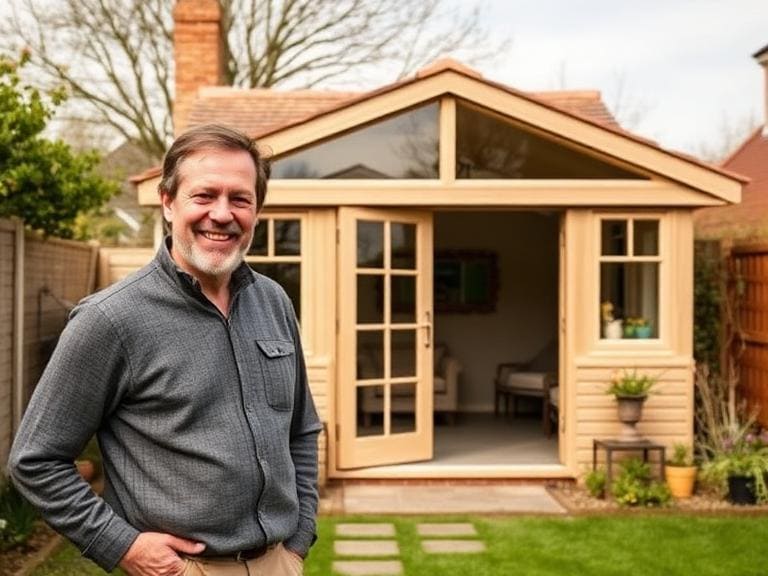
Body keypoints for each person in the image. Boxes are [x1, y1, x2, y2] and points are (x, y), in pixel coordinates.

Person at [8, 124, 321, 576]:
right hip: (182, 570)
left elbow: (301, 429)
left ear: (257, 209)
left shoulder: (272, 301)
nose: (222, 213)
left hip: (279, 562)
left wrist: (298, 539)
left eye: (240, 199)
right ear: (168, 202)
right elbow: (36, 460)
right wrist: (124, 546)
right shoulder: (110, 320)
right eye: (203, 196)